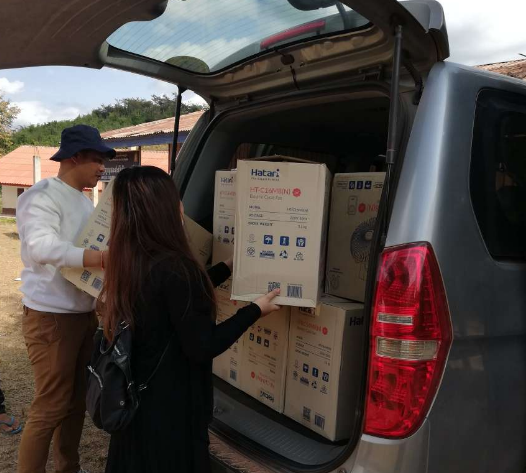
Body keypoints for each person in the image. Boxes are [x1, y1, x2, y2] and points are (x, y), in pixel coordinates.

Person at [100, 166, 281, 473]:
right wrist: (254, 310)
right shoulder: (176, 267)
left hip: (139, 403)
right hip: (171, 413)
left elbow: (175, 297)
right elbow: (203, 345)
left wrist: (227, 266)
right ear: (166, 209)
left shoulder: (130, 258)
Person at [16, 125, 116, 473]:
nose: (102, 168)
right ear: (74, 157)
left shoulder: (84, 200)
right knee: (50, 406)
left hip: (82, 315)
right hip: (51, 318)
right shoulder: (42, 196)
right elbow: (41, 247)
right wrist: (98, 258)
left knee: (75, 403)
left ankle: (68, 468)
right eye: (96, 160)